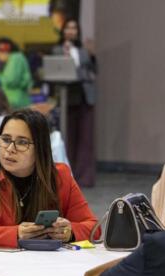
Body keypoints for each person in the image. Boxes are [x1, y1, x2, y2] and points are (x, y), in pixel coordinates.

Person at [0, 109, 98, 248]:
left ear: (40, 148)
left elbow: (94, 228)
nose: (10, 149)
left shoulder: (60, 176)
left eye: (22, 142)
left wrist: (69, 232)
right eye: (5, 139)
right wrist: (15, 234)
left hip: (47, 266)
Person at [52, 18, 97, 187]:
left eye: (74, 28)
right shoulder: (57, 50)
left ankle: (84, 177)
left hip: (86, 96)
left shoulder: (83, 50)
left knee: (86, 139)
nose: (71, 31)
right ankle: (67, 176)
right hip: (68, 97)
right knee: (68, 136)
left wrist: (92, 56)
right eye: (68, 28)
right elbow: (55, 72)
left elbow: (93, 71)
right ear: (63, 31)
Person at [0, 37, 33, 109]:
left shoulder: (15, 58)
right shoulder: (14, 59)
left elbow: (11, 80)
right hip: (15, 102)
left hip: (15, 103)